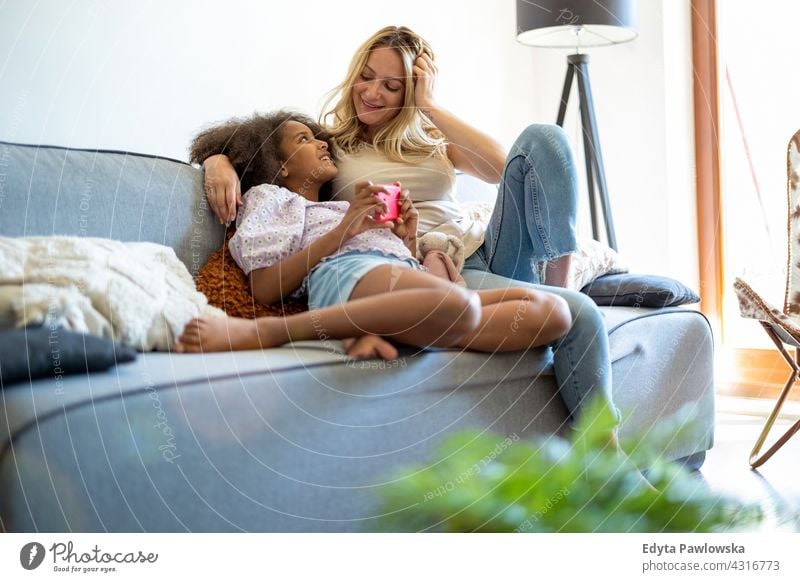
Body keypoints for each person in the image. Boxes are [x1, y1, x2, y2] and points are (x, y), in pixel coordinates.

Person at [199, 26, 615, 423]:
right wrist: (218, 161)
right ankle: (606, 452)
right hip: (431, 265)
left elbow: (501, 168)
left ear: (410, 93)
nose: (373, 92)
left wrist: (429, 106)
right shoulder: (333, 144)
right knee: (577, 316)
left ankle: (556, 282)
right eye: (366, 77)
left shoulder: (432, 135)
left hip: (486, 248)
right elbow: (267, 150)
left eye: (392, 86)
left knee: (545, 139)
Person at [177, 110, 572, 356]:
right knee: (461, 306)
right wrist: (346, 230)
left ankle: (398, 328)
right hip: (346, 273)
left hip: (404, 279)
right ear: (279, 166)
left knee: (554, 312)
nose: (320, 142)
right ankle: (265, 332)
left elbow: (404, 264)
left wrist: (408, 240)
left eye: (317, 136)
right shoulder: (273, 199)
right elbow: (265, 288)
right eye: (304, 140)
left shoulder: (340, 206)